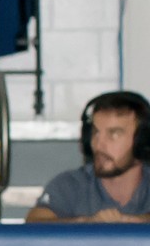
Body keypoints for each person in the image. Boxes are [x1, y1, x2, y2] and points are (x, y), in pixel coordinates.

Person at [28, 91, 150, 223]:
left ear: (142, 141)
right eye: (95, 132)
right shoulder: (70, 184)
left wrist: (133, 223)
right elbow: (34, 223)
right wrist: (86, 224)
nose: (99, 144)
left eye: (114, 134)